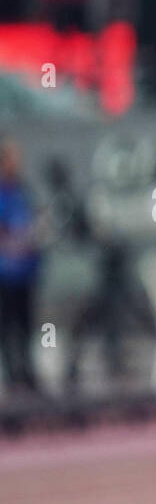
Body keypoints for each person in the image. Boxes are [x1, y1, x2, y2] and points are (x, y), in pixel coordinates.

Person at [0, 139, 42, 394]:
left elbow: (32, 223)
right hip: (5, 274)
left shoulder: (22, 191)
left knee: (26, 326)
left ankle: (27, 374)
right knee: (6, 328)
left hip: (26, 274)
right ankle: (13, 376)